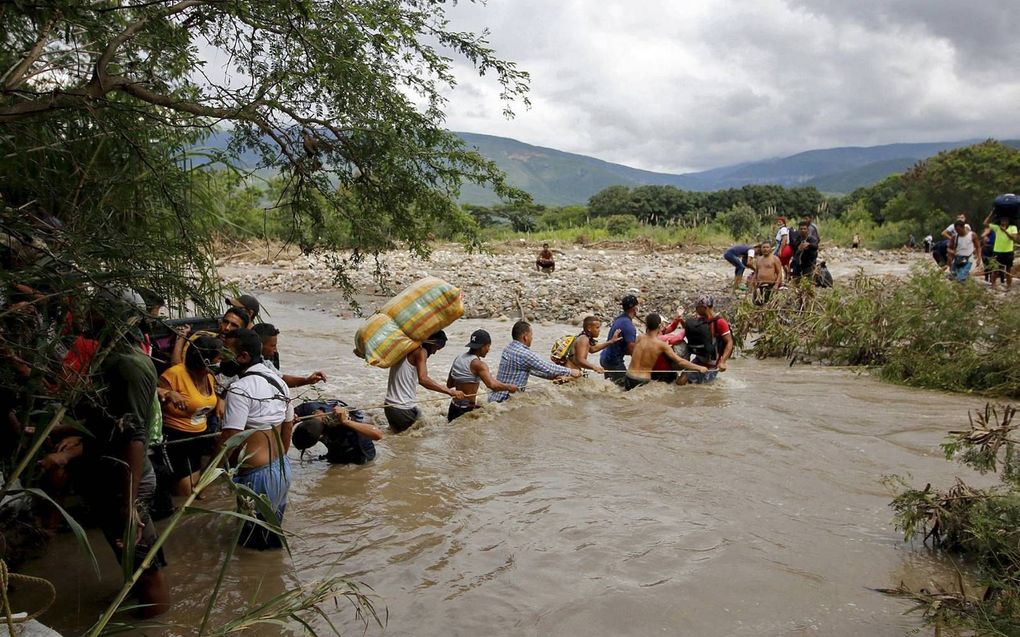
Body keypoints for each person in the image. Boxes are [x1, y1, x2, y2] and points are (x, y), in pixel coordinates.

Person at [79, 309, 169, 616]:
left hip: (127, 482)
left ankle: (157, 624)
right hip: (119, 479)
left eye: (97, 309)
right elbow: (110, 422)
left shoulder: (128, 365)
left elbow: (134, 433)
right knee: (134, 565)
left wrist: (129, 504)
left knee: (146, 568)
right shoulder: (111, 359)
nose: (87, 315)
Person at [217, 329, 293, 550]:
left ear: (243, 357)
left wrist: (209, 477)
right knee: (270, 541)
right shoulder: (279, 383)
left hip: (256, 479)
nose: (221, 358)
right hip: (281, 470)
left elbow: (229, 437)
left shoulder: (240, 389)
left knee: (253, 547)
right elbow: (287, 428)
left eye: (226, 352)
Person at [158, 334, 221, 496]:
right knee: (185, 492)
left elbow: (209, 399)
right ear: (206, 360)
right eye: (218, 358)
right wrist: (168, 392)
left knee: (197, 490)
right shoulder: (175, 374)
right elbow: (151, 391)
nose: (220, 362)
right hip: (175, 438)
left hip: (198, 439)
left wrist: (220, 401)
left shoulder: (209, 377)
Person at [385, 330, 465, 432]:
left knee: (402, 441)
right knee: (414, 443)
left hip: (390, 406)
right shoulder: (420, 352)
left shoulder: (405, 348)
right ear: (431, 342)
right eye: (436, 348)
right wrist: (450, 392)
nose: (434, 352)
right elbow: (423, 380)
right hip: (402, 407)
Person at [488, 321, 580, 403]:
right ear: (525, 337)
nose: (532, 338)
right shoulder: (524, 354)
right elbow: (547, 367)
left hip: (494, 398)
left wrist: (552, 377)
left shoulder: (508, 348)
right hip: (504, 400)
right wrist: (571, 371)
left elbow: (532, 370)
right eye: (531, 335)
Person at [445, 329, 518, 421]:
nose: (488, 350)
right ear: (482, 347)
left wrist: (464, 385)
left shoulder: (458, 358)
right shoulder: (479, 364)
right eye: (488, 346)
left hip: (453, 407)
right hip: (465, 410)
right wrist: (509, 387)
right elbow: (492, 385)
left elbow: (449, 384)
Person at [624, 313, 707, 390]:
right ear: (660, 326)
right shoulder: (661, 345)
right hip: (642, 380)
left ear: (646, 325)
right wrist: (699, 368)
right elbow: (680, 362)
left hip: (628, 377)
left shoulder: (639, 338)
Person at [292, 401, 383, 464]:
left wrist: (346, 422)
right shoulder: (307, 409)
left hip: (360, 454)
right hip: (335, 447)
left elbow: (378, 434)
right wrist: (291, 420)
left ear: (321, 436)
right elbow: (284, 416)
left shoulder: (341, 421)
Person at [253, 323, 327, 388]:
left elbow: (281, 379)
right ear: (260, 345)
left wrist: (307, 380)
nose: (275, 350)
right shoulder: (249, 365)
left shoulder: (264, 362)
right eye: (273, 346)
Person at [681, 295, 734, 384]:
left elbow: (729, 342)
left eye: (697, 307)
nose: (696, 310)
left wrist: (723, 361)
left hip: (712, 364)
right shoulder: (700, 320)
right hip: (699, 359)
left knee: (704, 388)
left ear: (704, 307)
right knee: (681, 382)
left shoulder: (720, 322)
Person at [600, 295, 640, 386]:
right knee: (625, 388)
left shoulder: (620, 319)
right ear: (635, 308)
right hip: (613, 361)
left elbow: (621, 345)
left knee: (611, 387)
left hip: (604, 357)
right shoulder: (628, 326)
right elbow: (631, 348)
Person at [946, 219, 982, 283]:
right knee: (953, 277)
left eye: (959, 230)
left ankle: (962, 287)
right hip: (958, 259)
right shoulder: (955, 237)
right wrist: (952, 252)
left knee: (960, 278)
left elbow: (978, 247)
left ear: (963, 227)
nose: (958, 232)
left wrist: (979, 258)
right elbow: (948, 248)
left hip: (969, 259)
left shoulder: (972, 235)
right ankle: (961, 289)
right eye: (956, 230)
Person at [988, 216, 1017, 290]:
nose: (1003, 221)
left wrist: (1005, 231)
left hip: (1008, 251)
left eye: (1005, 220)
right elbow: (985, 223)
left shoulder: (1013, 227)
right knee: (995, 269)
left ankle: (1009, 285)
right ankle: (993, 284)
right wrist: (992, 213)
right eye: (1002, 219)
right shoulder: (997, 227)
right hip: (997, 251)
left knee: (1008, 269)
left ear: (1008, 221)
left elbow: (1013, 238)